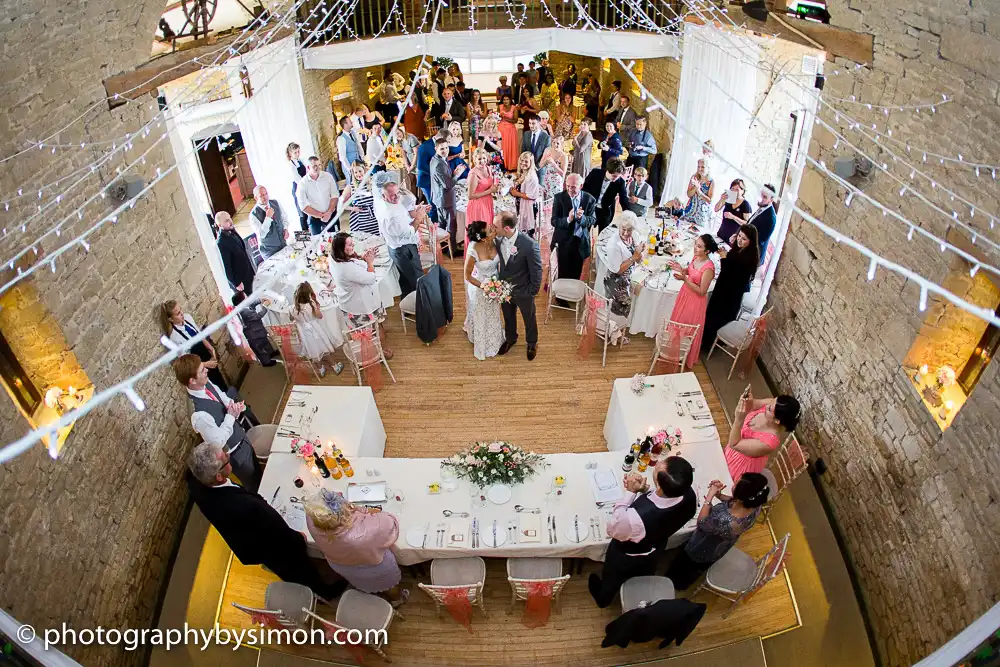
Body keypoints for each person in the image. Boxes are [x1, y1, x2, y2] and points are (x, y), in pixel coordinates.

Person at [187, 443, 346, 601]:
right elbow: (278, 532)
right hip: (272, 547)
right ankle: (326, 592)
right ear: (219, 477)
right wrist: (298, 539)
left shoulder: (197, 484)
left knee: (290, 570)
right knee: (301, 570)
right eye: (225, 459)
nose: (229, 456)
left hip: (251, 537)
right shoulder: (246, 506)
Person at [588, 456, 697, 608]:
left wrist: (630, 493)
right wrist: (645, 490)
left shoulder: (636, 518)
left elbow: (614, 530)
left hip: (626, 555)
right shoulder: (689, 495)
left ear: (659, 485)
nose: (657, 463)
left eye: (658, 467)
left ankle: (603, 599)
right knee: (644, 570)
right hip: (656, 547)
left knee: (612, 577)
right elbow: (666, 503)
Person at [665, 473, 770, 590]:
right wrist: (719, 495)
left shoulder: (726, 521)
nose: (734, 482)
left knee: (686, 567)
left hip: (704, 547)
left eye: (736, 482)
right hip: (720, 541)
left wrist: (709, 497)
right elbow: (734, 501)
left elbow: (702, 523)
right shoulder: (755, 505)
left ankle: (675, 583)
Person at [174, 354, 262, 493]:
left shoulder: (205, 383)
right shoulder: (198, 415)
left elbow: (222, 397)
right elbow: (217, 443)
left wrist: (233, 406)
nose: (207, 371)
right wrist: (230, 416)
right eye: (202, 370)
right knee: (253, 481)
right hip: (235, 453)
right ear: (192, 380)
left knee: (257, 470)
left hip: (240, 436)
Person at [305, 489, 408, 603]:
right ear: (345, 510)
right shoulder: (365, 532)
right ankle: (397, 601)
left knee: (363, 582)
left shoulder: (312, 519)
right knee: (389, 585)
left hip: (341, 565)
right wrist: (363, 510)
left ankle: (376, 593)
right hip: (374, 567)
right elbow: (391, 524)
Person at [329, 232, 393, 358]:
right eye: (349, 244)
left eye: (352, 242)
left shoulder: (333, 259)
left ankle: (377, 348)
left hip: (352, 303)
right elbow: (371, 278)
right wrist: (370, 262)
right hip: (362, 306)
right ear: (341, 248)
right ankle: (380, 351)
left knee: (372, 329)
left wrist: (363, 258)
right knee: (373, 328)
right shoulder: (346, 269)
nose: (353, 244)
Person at [493, 210, 543, 360]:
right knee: (508, 316)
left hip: (523, 291)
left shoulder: (529, 245)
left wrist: (531, 292)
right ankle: (510, 338)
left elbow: (537, 271)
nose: (493, 229)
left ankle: (532, 343)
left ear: (506, 228)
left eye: (496, 226)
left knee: (529, 318)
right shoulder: (498, 240)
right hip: (504, 289)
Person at [667, 234, 718, 368]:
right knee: (678, 323)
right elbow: (690, 271)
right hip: (685, 294)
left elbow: (702, 291)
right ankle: (674, 351)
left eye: (699, 246)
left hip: (694, 301)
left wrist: (684, 279)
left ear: (707, 251)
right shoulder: (696, 257)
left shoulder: (709, 269)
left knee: (687, 328)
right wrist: (680, 269)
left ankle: (685, 356)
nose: (695, 248)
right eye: (696, 244)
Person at [726, 390, 800, 481]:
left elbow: (734, 444)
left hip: (740, 464)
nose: (767, 405)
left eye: (769, 409)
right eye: (772, 401)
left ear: (777, 420)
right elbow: (753, 404)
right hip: (734, 446)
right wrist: (747, 401)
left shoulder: (769, 442)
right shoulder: (772, 405)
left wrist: (738, 419)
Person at [376, 179, 429, 299]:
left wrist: (418, 209)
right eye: (392, 195)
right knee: (417, 279)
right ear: (384, 195)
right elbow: (408, 233)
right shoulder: (389, 215)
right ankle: (422, 306)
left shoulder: (392, 202)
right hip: (403, 250)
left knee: (406, 280)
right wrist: (419, 218)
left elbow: (405, 215)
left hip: (402, 246)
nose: (396, 197)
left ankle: (409, 305)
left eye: (397, 193)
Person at [160, 300, 228, 391]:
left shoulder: (188, 318)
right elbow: (187, 362)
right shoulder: (174, 338)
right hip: (197, 366)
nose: (182, 314)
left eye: (181, 310)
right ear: (171, 319)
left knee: (219, 379)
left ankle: (232, 401)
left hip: (206, 355)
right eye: (178, 313)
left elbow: (200, 335)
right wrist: (206, 364)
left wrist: (211, 350)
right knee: (213, 387)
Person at [463, 220, 505, 360]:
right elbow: (467, 276)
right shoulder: (473, 250)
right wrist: (484, 286)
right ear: (483, 236)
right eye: (489, 228)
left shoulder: (495, 240)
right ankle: (482, 343)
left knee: (493, 314)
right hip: (479, 285)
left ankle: (494, 339)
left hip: (495, 284)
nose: (492, 227)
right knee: (481, 315)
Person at [603, 211, 644, 338]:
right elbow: (617, 270)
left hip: (626, 279)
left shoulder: (632, 236)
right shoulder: (613, 245)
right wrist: (634, 257)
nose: (626, 233)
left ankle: (617, 332)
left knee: (624, 309)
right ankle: (613, 334)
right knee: (618, 311)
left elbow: (636, 252)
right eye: (623, 229)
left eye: (629, 230)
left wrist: (639, 254)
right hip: (615, 282)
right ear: (619, 226)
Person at [550, 173, 596, 284]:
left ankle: (571, 293)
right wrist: (568, 219)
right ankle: (561, 298)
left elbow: (593, 220)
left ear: (581, 186)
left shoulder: (590, 199)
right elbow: (554, 221)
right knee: (563, 272)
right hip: (563, 241)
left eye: (573, 187)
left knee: (576, 272)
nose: (570, 189)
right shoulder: (559, 198)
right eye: (568, 186)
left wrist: (582, 218)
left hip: (580, 241)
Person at [291, 281, 342, 374]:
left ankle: (320, 369)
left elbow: (292, 318)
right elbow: (320, 316)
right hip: (316, 330)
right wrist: (317, 309)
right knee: (323, 348)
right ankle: (335, 366)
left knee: (313, 350)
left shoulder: (293, 308)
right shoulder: (310, 304)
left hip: (304, 333)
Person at [431, 137, 464, 256]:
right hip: (445, 199)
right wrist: (457, 175)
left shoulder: (435, 159)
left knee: (443, 223)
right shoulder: (439, 164)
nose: (445, 151)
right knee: (451, 225)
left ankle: (444, 248)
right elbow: (448, 184)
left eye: (446, 148)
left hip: (439, 198)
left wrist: (453, 173)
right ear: (436, 148)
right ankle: (452, 251)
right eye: (442, 149)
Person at [231, 291, 279, 367]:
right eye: (246, 296)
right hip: (253, 334)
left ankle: (271, 353)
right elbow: (258, 316)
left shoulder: (244, 307)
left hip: (257, 330)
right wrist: (265, 306)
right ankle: (266, 362)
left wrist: (260, 300)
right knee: (260, 348)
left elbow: (252, 304)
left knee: (265, 342)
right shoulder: (245, 312)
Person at [583, 158, 630, 233]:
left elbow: (623, 199)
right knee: (585, 232)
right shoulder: (595, 173)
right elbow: (585, 188)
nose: (616, 179)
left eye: (618, 176)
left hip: (605, 211)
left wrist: (629, 214)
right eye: (614, 176)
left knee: (603, 235)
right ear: (608, 170)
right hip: (590, 208)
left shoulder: (620, 182)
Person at [297, 156, 340, 236]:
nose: (318, 168)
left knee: (336, 240)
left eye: (319, 165)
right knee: (318, 243)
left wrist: (329, 212)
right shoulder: (302, 184)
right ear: (308, 167)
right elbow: (303, 206)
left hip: (331, 214)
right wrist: (320, 215)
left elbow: (335, 195)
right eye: (315, 166)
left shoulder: (328, 176)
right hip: (315, 219)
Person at [215, 211, 255, 294]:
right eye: (226, 221)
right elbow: (226, 266)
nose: (230, 221)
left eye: (229, 218)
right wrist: (236, 283)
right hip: (241, 279)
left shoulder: (231, 230)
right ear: (220, 225)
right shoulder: (221, 242)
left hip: (248, 271)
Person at [465, 148, 499, 244]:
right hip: (478, 206)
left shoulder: (488, 168)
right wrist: (489, 191)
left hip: (488, 203)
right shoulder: (473, 174)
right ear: (474, 160)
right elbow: (470, 196)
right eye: (479, 159)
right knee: (481, 232)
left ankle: (487, 253)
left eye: (484, 158)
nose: (482, 161)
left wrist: (495, 186)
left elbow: (492, 181)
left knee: (488, 229)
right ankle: (477, 255)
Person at [338, 160, 380, 236]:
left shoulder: (373, 182)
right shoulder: (350, 187)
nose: (358, 174)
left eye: (360, 171)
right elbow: (341, 203)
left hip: (375, 218)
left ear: (364, 170)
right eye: (355, 172)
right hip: (359, 220)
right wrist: (352, 208)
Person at [247, 185, 289, 259]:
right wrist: (268, 218)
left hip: (283, 244)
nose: (265, 197)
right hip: (269, 251)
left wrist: (285, 229)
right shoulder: (253, 215)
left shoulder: (275, 203)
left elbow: (284, 218)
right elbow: (261, 234)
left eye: (266, 194)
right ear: (256, 198)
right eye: (262, 195)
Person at [417, 128, 450, 220]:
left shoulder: (443, 147)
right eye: (447, 141)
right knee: (433, 206)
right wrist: (437, 174)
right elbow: (420, 166)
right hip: (426, 181)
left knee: (440, 204)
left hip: (437, 180)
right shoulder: (424, 147)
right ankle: (434, 228)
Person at [742, 184, 777, 265]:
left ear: (771, 200)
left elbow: (760, 240)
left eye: (764, 197)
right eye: (761, 195)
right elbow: (750, 223)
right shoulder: (763, 206)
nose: (760, 198)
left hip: (753, 256)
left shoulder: (770, 218)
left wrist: (741, 241)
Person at [511, 152, 541, 236]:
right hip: (521, 203)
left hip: (528, 206)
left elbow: (530, 196)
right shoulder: (525, 172)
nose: (523, 163)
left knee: (527, 229)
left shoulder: (532, 177)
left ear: (531, 163)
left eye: (526, 161)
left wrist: (516, 193)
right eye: (522, 160)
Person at [715, 178, 752, 244]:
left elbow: (747, 224)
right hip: (721, 233)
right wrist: (721, 199)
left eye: (737, 190)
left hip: (733, 239)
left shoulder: (745, 204)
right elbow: (716, 209)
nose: (734, 191)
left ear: (743, 191)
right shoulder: (729, 198)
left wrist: (733, 217)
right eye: (732, 189)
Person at [539, 133, 569, 201]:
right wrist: (546, 160)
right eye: (553, 142)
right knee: (545, 202)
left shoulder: (564, 156)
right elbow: (540, 165)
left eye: (558, 143)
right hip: (546, 181)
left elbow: (563, 174)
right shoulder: (547, 150)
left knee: (555, 202)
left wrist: (553, 163)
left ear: (561, 145)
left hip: (556, 183)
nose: (555, 144)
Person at [287, 142, 309, 230]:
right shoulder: (291, 164)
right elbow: (297, 179)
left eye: (298, 151)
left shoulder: (300, 160)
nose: (297, 154)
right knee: (302, 213)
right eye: (295, 152)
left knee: (308, 210)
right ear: (290, 153)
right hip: (298, 188)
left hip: (305, 185)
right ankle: (304, 239)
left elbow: (307, 171)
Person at [395, 125, 421, 194]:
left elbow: (416, 153)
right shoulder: (400, 141)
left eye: (398, 133)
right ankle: (414, 198)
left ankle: (422, 199)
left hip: (418, 161)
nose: (397, 136)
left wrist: (412, 166)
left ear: (402, 131)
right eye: (395, 135)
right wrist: (407, 166)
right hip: (410, 161)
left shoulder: (410, 138)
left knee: (420, 182)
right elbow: (404, 154)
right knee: (411, 181)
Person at [498, 94, 520, 171]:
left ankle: (511, 165)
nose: (505, 101)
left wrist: (505, 118)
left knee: (510, 147)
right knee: (502, 147)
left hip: (511, 130)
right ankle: (503, 164)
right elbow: (498, 117)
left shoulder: (514, 108)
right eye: (504, 100)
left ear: (510, 100)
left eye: (507, 99)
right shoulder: (500, 107)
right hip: (501, 129)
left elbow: (515, 120)